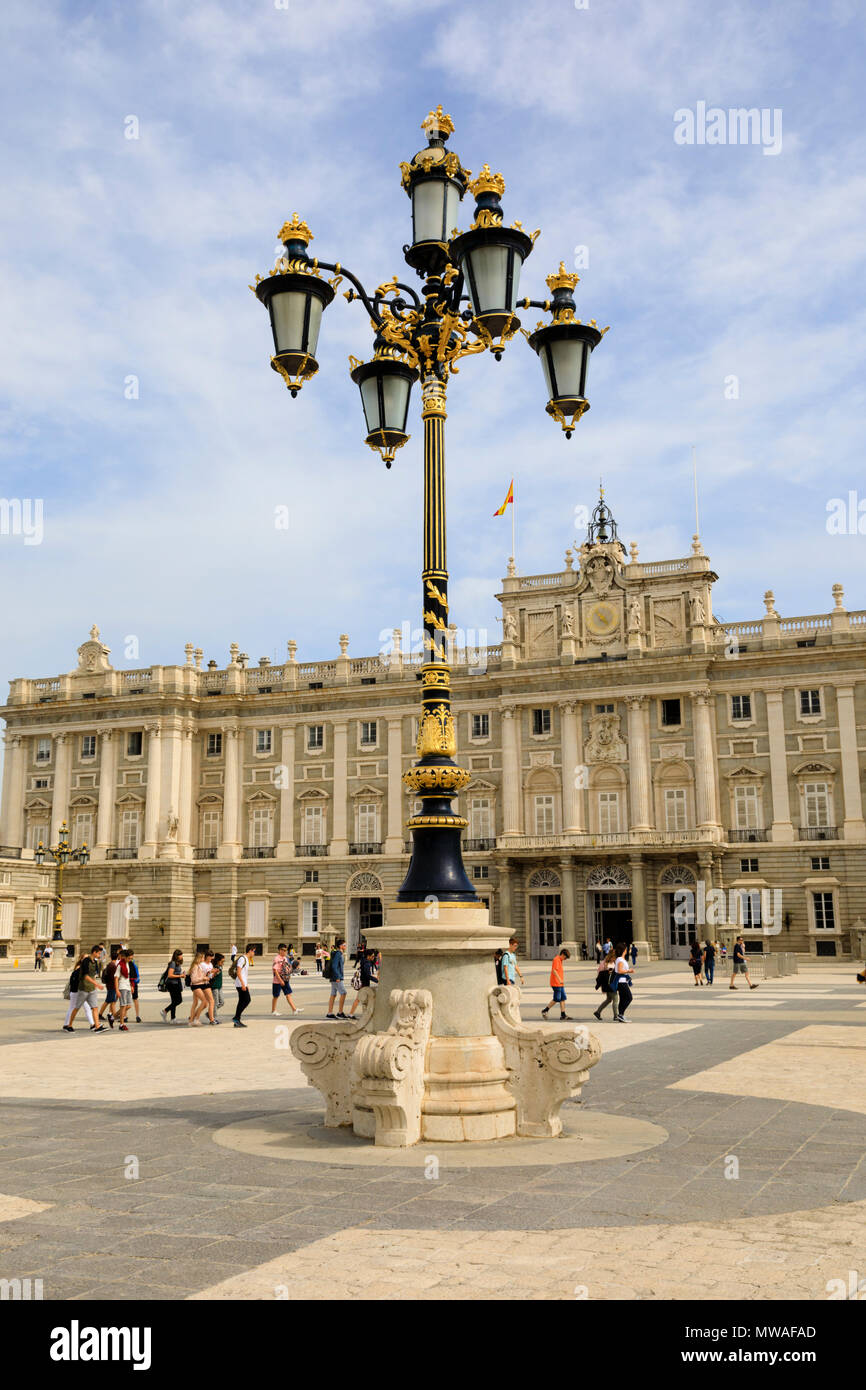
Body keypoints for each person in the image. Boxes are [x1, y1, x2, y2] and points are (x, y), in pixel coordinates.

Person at [62, 946, 106, 1031]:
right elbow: (85, 976)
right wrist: (97, 984)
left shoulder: (94, 962)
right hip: (83, 989)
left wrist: (95, 984)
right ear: (94, 952)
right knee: (76, 1007)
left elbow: (93, 975)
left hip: (91, 989)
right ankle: (69, 1025)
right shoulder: (86, 962)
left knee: (94, 1007)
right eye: (99, 953)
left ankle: (96, 1026)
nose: (100, 955)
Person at [271, 943, 302, 1016]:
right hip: (277, 980)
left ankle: (294, 1009)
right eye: (283, 950)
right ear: (279, 950)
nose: (285, 952)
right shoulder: (277, 959)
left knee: (288, 994)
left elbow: (287, 968)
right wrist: (280, 980)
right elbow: (275, 970)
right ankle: (273, 1011)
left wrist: (289, 975)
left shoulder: (285, 958)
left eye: (286, 950)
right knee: (276, 996)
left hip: (285, 979)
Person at [541, 948, 572, 1020]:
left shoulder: (560, 960)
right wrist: (559, 979)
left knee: (562, 998)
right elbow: (554, 971)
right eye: (565, 957)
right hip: (556, 983)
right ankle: (545, 1010)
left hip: (560, 984)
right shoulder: (556, 960)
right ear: (562, 954)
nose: (565, 959)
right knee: (557, 999)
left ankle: (563, 1015)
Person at [592, 946, 619, 1021]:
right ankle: (616, 1016)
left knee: (609, 999)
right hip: (610, 985)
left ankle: (598, 1012)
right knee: (615, 999)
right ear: (611, 957)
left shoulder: (612, 963)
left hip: (611, 984)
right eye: (614, 957)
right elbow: (600, 974)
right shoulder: (605, 964)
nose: (615, 959)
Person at [349, 949, 379, 1016]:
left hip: (363, 982)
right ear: (368, 956)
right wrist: (377, 980)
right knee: (360, 999)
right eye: (372, 956)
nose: (373, 958)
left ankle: (365, 1013)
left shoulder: (363, 961)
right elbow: (368, 975)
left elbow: (367, 974)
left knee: (364, 999)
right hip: (364, 983)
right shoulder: (367, 963)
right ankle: (351, 1014)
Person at [232, 944, 255, 1027]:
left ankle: (237, 1020)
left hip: (242, 983)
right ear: (250, 950)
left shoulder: (246, 959)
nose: (254, 953)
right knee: (247, 1000)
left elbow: (244, 974)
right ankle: (236, 1017)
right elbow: (238, 972)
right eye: (254, 951)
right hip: (240, 984)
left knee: (242, 1001)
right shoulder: (242, 959)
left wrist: (246, 984)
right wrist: (242, 984)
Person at [326, 938, 348, 1019]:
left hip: (335, 977)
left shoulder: (340, 953)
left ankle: (330, 1013)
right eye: (344, 945)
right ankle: (340, 1012)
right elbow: (334, 966)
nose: (345, 946)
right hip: (337, 977)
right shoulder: (338, 953)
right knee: (343, 993)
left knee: (333, 994)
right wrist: (338, 977)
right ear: (340, 946)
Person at [160, 949, 184, 1023]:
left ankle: (173, 1018)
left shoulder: (177, 963)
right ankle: (165, 1011)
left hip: (175, 983)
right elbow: (170, 975)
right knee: (179, 1000)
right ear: (177, 956)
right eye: (180, 955)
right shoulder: (173, 963)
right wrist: (180, 975)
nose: (182, 956)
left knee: (174, 1001)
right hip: (172, 984)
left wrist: (181, 974)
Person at [613, 942, 634, 1022]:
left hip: (623, 981)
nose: (627, 950)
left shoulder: (621, 959)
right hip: (621, 982)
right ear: (624, 950)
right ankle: (620, 1014)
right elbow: (619, 970)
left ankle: (621, 1015)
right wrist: (629, 971)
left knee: (623, 998)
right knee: (629, 997)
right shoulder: (620, 959)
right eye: (626, 949)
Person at [115, 950, 134, 1031]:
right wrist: (117, 990)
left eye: (131, 958)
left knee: (128, 1005)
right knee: (123, 1006)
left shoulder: (127, 964)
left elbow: (129, 976)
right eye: (129, 958)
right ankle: (121, 1024)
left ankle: (113, 1016)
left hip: (127, 986)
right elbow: (116, 978)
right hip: (122, 987)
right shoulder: (120, 965)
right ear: (125, 957)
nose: (131, 960)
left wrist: (131, 985)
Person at [99, 953, 119, 1028]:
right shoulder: (113, 966)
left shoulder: (109, 964)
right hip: (112, 986)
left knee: (108, 1001)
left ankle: (100, 1014)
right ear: (117, 958)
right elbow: (114, 977)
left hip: (109, 985)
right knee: (112, 1001)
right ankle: (114, 1015)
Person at [210, 953, 225, 1021]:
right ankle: (214, 1018)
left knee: (222, 1002)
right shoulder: (214, 967)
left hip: (220, 986)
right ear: (217, 961)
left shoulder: (220, 966)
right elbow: (211, 976)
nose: (223, 963)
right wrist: (215, 972)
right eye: (222, 961)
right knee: (215, 1003)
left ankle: (210, 1013)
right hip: (214, 987)